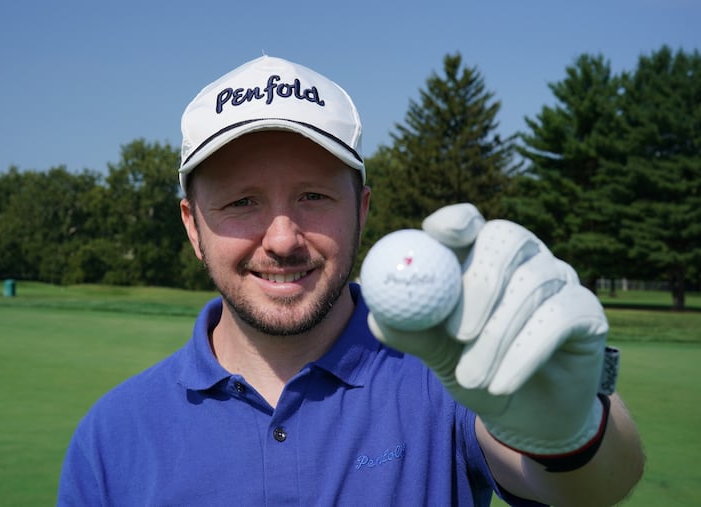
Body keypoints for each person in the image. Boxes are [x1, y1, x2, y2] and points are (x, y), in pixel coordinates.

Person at [57, 55, 644, 506]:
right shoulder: (111, 436)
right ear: (193, 226)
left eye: (313, 195)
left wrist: (574, 429)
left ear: (361, 210)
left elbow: (595, 488)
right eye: (241, 202)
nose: (283, 238)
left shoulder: (446, 375)